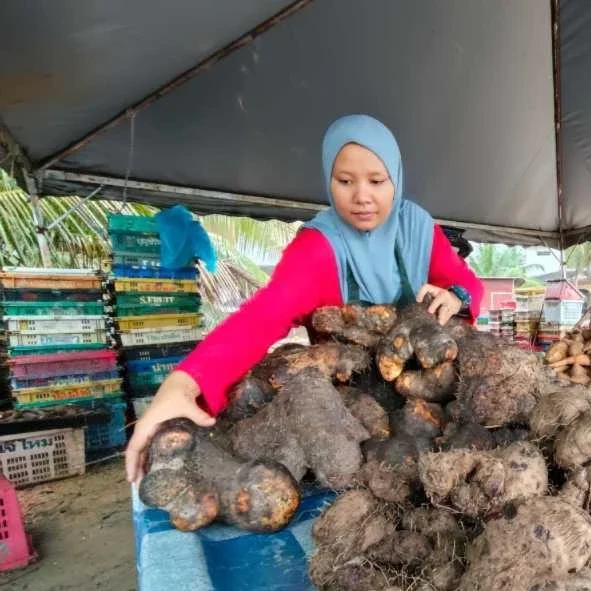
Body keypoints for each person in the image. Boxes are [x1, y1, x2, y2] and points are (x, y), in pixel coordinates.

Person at [125, 115, 484, 483]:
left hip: (427, 407)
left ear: (396, 178)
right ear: (329, 180)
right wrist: (185, 383)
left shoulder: (418, 229)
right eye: (345, 181)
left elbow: (467, 283)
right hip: (346, 418)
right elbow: (262, 316)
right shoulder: (317, 248)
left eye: (377, 181)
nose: (362, 196)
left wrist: (457, 296)